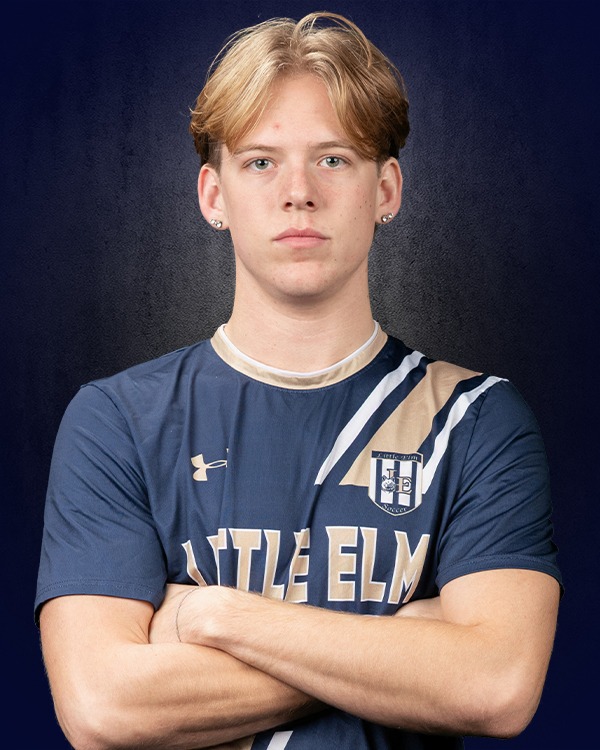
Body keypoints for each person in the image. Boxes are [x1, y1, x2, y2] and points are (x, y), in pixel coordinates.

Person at [35, 11, 561, 749]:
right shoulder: (116, 420)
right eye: (260, 162)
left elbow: (495, 686)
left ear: (386, 189)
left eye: (334, 159)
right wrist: (412, 643)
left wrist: (215, 617)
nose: (298, 192)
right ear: (213, 196)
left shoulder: (477, 420)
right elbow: (103, 707)